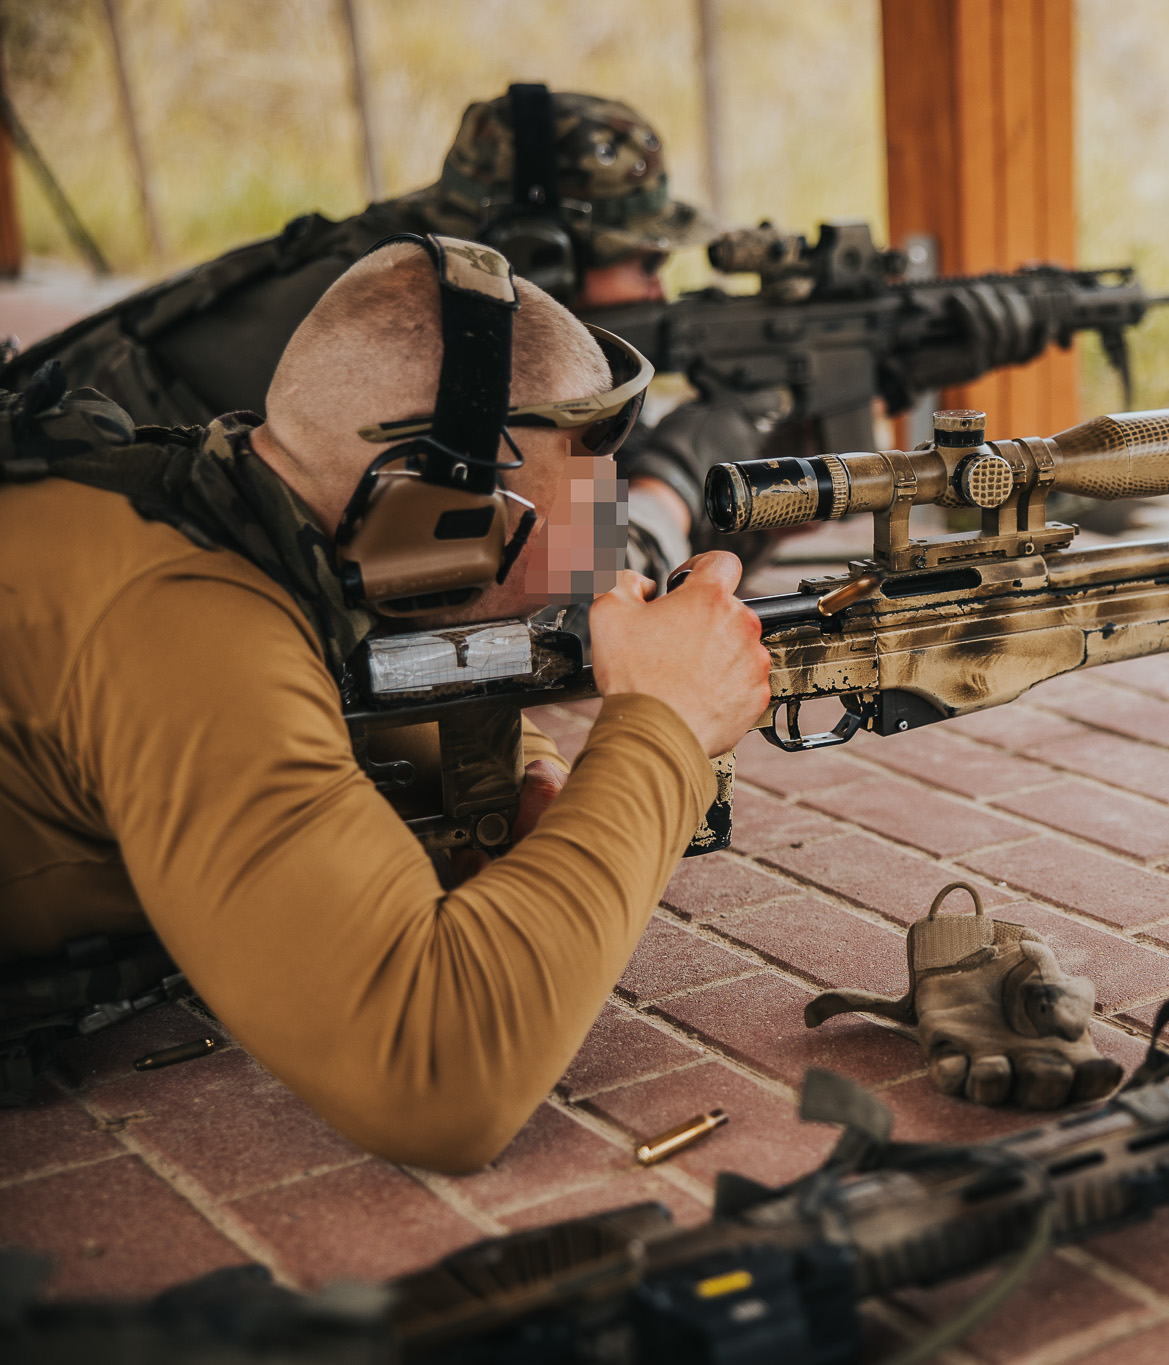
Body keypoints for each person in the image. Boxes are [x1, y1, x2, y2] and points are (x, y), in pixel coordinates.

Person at [0, 237, 770, 1169]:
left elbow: (343, 671)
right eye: (570, 515)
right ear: (426, 512)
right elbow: (439, 1080)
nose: (599, 556)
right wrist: (664, 727)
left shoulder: (220, 512)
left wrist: (515, 763)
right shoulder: (192, 632)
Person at [0, 85, 708, 583]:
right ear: (541, 248)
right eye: (644, 262)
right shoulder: (413, 347)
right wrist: (685, 474)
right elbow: (557, 592)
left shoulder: (408, 272)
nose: (658, 292)